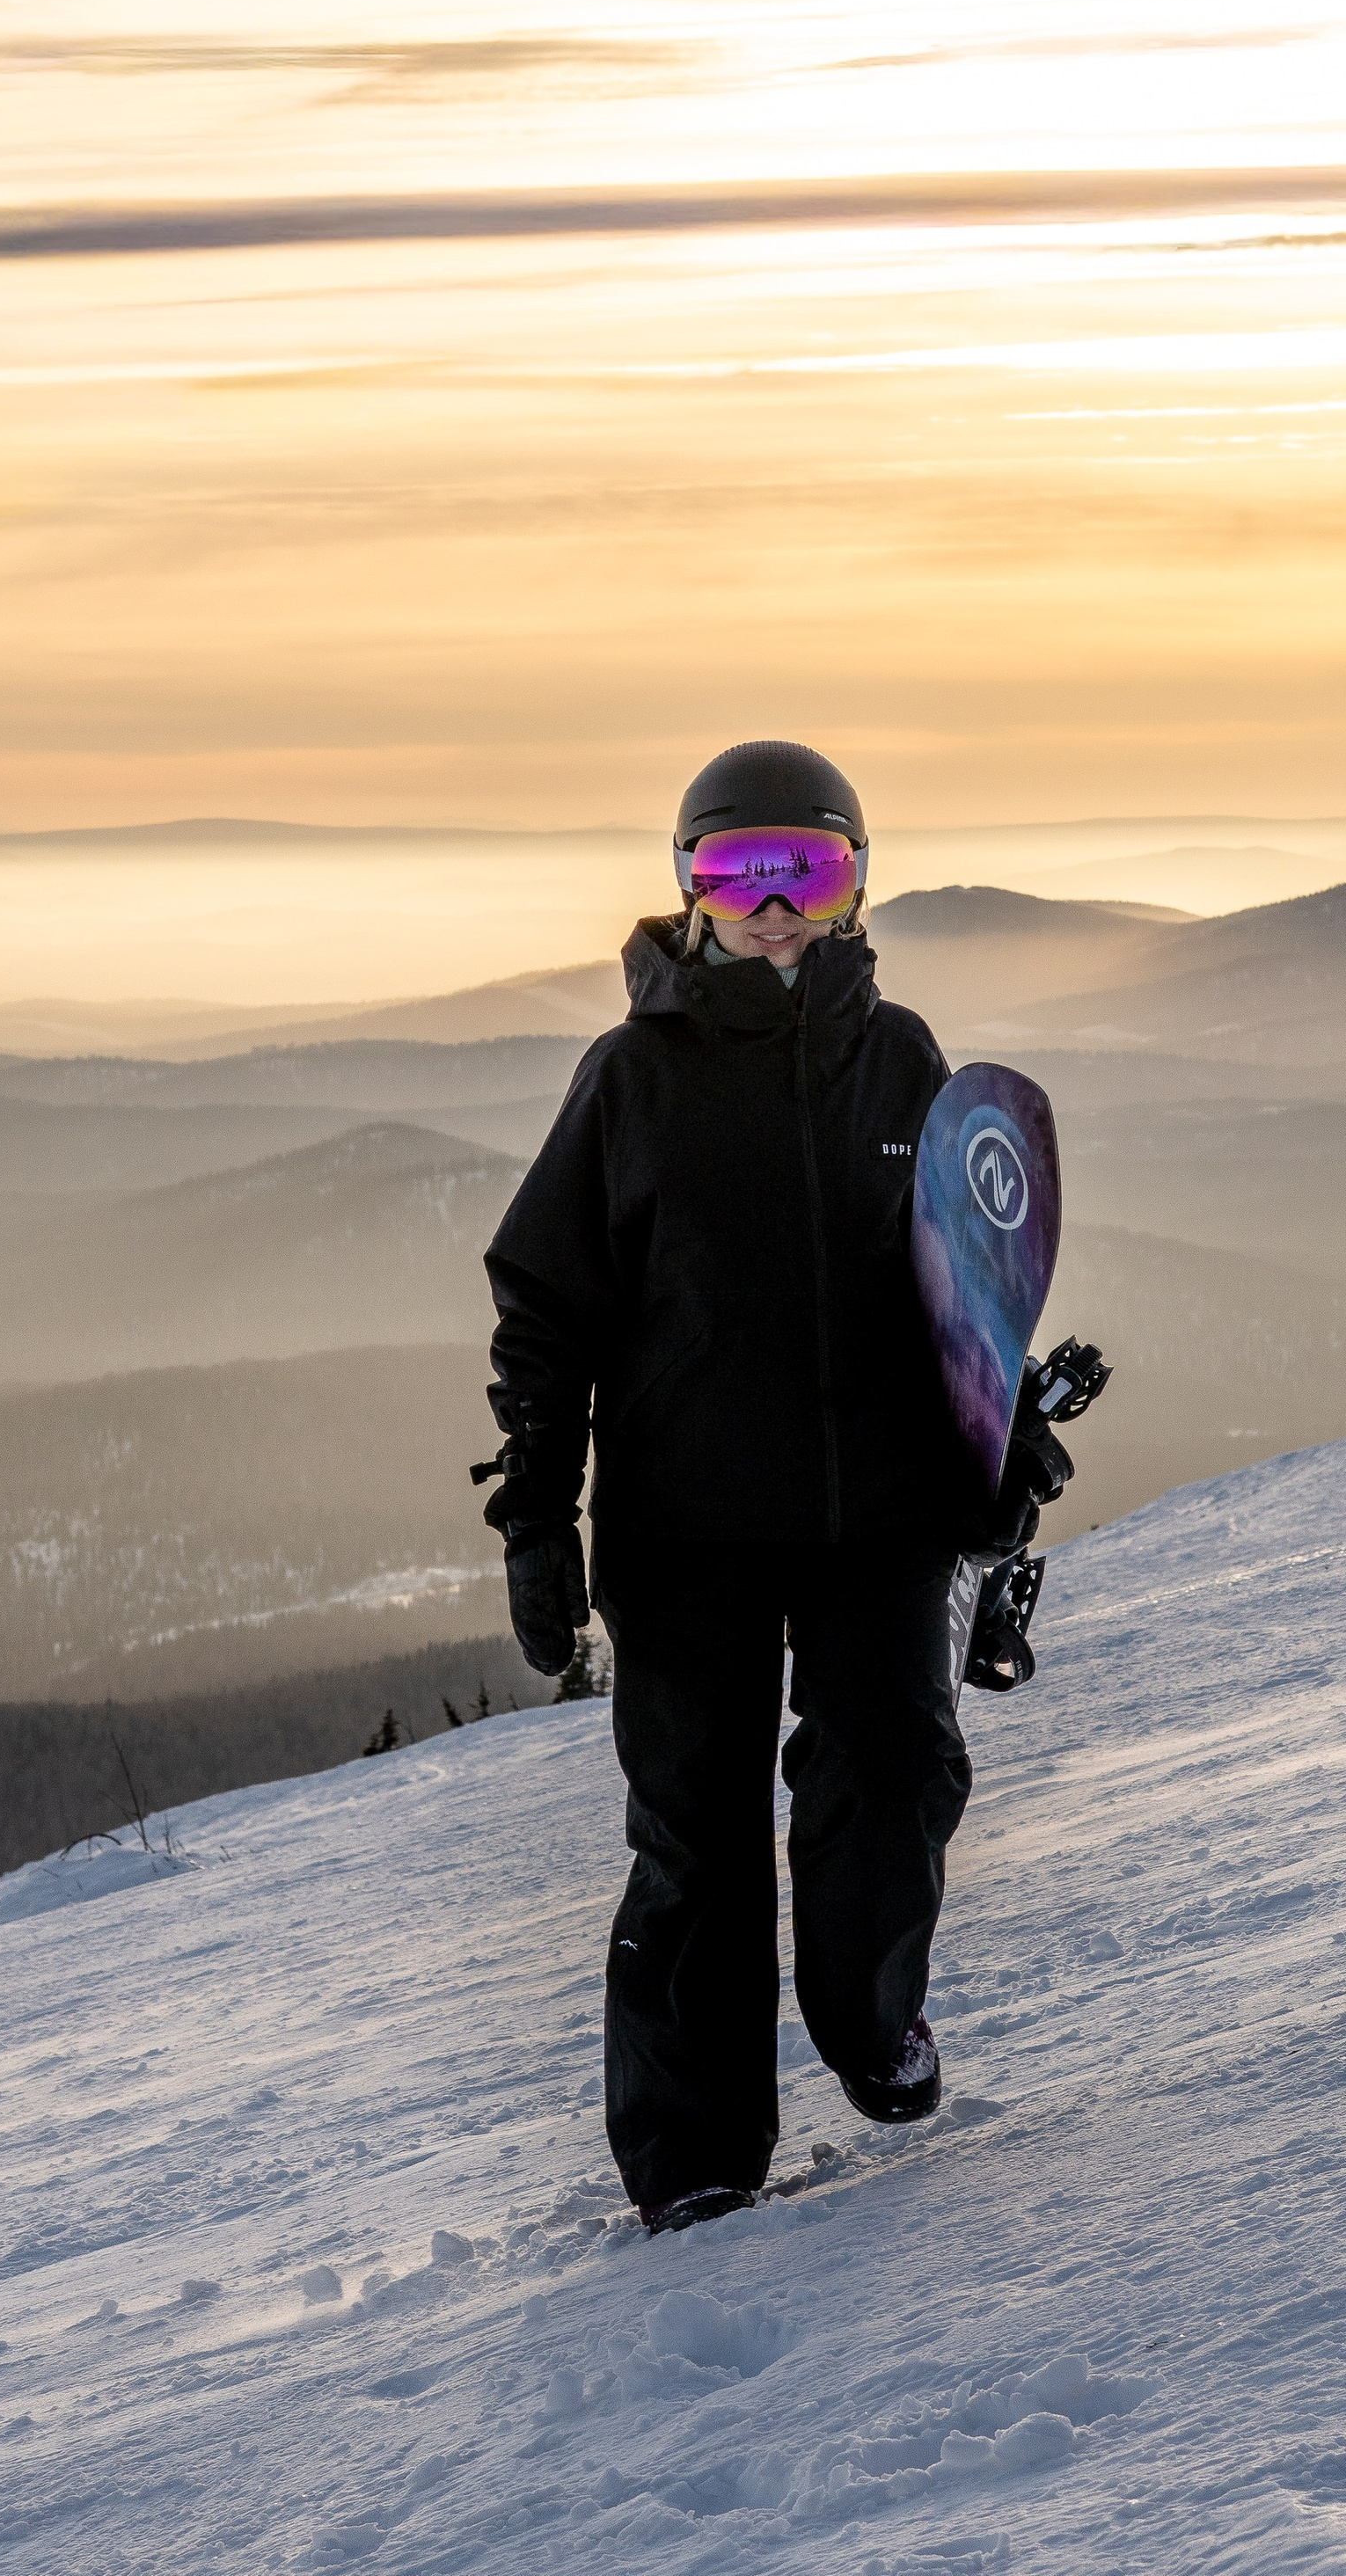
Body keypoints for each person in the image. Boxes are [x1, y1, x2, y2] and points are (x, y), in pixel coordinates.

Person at [475, 738, 1066, 2237]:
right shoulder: (630, 1079)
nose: (775, 904)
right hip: (685, 1537)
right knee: (697, 1845)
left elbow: (963, 1295)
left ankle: (872, 2032)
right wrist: (538, 1517)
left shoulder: (901, 1059)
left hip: (874, 1515)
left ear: (860, 883)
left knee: (896, 1777)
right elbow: (547, 1307)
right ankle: (695, 2162)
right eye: (739, 873)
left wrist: (996, 1452)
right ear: (687, 890)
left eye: (810, 867)